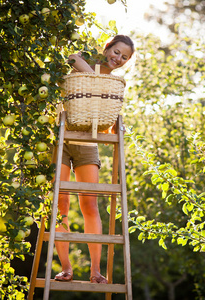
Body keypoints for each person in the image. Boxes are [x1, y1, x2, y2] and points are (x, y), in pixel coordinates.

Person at [54, 35, 135, 283]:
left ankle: (95, 270)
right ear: (108, 47)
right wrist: (94, 78)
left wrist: (115, 128)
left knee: (90, 205)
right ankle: (66, 267)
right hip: (61, 139)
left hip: (87, 145)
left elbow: (107, 121)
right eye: (117, 52)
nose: (118, 59)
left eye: (124, 57)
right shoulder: (86, 60)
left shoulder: (113, 85)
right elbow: (71, 58)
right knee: (62, 206)